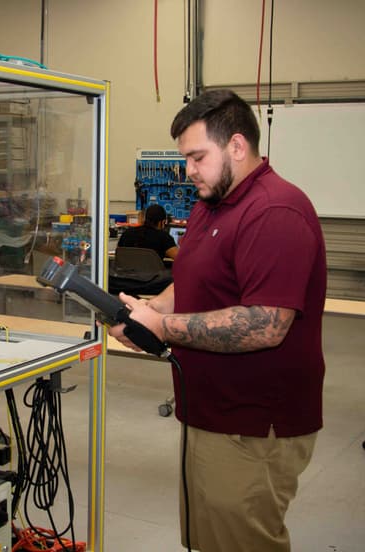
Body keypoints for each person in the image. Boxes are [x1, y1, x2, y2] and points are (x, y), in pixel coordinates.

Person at [109, 89, 326, 552]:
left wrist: (162, 328)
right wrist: (147, 311)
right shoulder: (214, 203)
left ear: (237, 147)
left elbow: (266, 324)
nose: (187, 171)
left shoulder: (274, 211)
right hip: (210, 411)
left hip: (252, 423)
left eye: (196, 157)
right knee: (210, 539)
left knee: (242, 542)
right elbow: (189, 282)